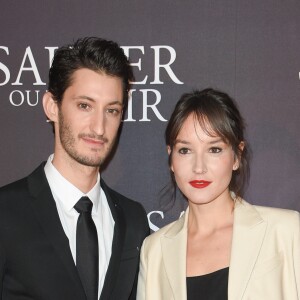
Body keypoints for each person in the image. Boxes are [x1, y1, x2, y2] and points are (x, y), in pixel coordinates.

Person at [0, 37, 149, 300]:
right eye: (84, 106)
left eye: (112, 111)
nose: (99, 127)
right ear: (52, 107)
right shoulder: (6, 212)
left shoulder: (133, 219)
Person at [137, 88, 300, 300]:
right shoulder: (154, 251)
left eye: (214, 149)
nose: (199, 167)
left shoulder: (286, 232)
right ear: (171, 158)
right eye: (185, 150)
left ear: (236, 156)